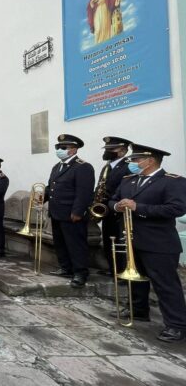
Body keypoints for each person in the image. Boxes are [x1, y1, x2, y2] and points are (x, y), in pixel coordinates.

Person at [108, 143, 186, 342]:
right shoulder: (128, 180)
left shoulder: (172, 182)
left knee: (166, 284)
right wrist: (117, 205)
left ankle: (176, 325)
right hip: (132, 238)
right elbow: (112, 200)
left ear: (150, 161)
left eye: (136, 159)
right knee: (136, 279)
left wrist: (138, 207)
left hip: (158, 242)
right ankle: (139, 310)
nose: (132, 163)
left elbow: (175, 209)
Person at [44, 134, 95, 288]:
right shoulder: (57, 166)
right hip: (57, 212)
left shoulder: (83, 166)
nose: (59, 150)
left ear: (73, 149)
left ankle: (80, 272)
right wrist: (43, 196)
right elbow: (51, 186)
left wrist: (78, 212)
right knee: (60, 243)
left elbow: (84, 192)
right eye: (58, 147)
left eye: (63, 148)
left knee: (76, 244)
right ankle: (66, 268)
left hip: (72, 214)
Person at [96, 136, 132, 276]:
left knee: (121, 242)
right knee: (108, 241)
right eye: (107, 149)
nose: (108, 151)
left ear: (123, 151)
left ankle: (123, 272)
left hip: (120, 211)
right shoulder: (107, 166)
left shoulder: (128, 165)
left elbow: (128, 189)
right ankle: (113, 270)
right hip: (107, 211)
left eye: (112, 149)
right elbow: (101, 186)